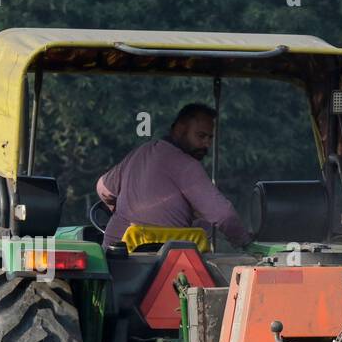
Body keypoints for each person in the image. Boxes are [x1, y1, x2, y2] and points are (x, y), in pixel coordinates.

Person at [96, 103, 250, 250]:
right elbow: (223, 215)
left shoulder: (142, 151)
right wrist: (245, 243)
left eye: (210, 138)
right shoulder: (186, 165)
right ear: (180, 129)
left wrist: (120, 209)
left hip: (114, 256)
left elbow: (102, 188)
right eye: (201, 136)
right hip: (164, 264)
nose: (207, 144)